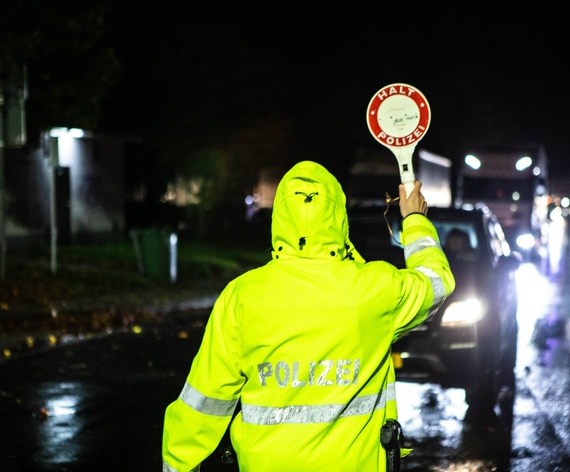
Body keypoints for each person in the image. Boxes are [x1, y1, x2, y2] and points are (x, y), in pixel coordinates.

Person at [162, 160, 455, 472]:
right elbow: (436, 282)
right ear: (339, 218)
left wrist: (177, 466)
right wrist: (414, 220)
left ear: (279, 218)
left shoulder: (242, 296)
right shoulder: (373, 289)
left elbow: (204, 398)